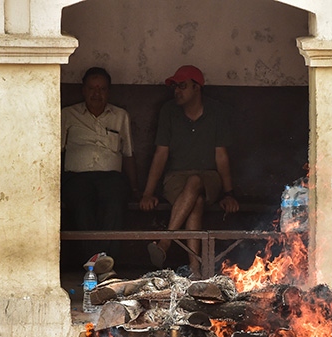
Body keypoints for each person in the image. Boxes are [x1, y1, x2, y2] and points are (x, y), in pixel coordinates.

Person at [139, 65, 239, 275]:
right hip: (175, 179)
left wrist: (229, 194)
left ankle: (165, 243)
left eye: (183, 86)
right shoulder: (168, 111)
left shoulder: (216, 111)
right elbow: (160, 154)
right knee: (196, 202)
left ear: (197, 88)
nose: (177, 91)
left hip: (209, 178)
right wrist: (148, 193)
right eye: (175, 87)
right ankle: (195, 271)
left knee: (195, 182)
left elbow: (221, 156)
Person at [61, 67, 137, 233]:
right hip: (76, 178)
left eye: (102, 89)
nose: (97, 93)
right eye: (91, 88)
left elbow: (128, 153)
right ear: (83, 90)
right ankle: (96, 257)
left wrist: (135, 188)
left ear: (108, 92)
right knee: (81, 203)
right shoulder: (67, 114)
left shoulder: (120, 116)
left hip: (111, 179)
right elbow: (54, 153)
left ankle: (103, 257)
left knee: (115, 202)